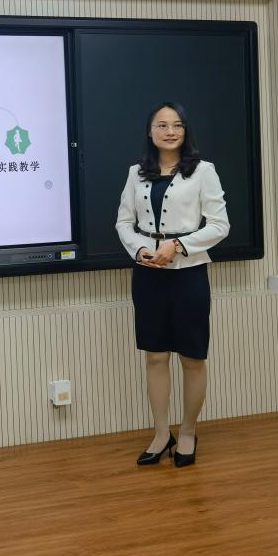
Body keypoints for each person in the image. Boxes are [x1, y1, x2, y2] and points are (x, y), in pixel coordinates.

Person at [115, 102, 229, 467]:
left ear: (185, 131)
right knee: (155, 356)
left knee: (192, 358)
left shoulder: (203, 171)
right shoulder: (136, 173)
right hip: (148, 272)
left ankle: (189, 432)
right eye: (162, 125)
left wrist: (177, 246)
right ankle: (162, 433)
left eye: (177, 125)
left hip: (189, 273)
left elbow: (220, 225)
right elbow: (123, 222)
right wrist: (141, 249)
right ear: (150, 132)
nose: (170, 131)